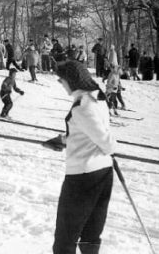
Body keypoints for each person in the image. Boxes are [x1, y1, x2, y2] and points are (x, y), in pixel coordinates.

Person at [50, 61, 116, 254]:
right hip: (103, 173)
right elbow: (90, 134)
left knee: (65, 239)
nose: (61, 84)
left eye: (61, 80)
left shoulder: (82, 107)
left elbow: (106, 142)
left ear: (72, 80)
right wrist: (64, 140)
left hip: (83, 177)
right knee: (90, 234)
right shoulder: (97, 97)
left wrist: (111, 146)